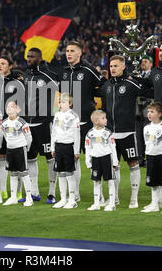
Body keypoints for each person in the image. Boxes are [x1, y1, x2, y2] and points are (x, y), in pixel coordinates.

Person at [59, 41, 106, 202]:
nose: (68, 53)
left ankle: (99, 195)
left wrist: (96, 105)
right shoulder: (64, 72)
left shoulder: (88, 70)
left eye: (72, 51)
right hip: (68, 124)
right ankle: (76, 194)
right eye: (67, 51)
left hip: (85, 121)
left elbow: (104, 86)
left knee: (94, 157)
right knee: (74, 158)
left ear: (80, 53)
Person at [100, 55, 149, 209]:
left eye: (116, 66)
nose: (112, 69)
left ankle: (134, 199)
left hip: (128, 132)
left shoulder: (131, 84)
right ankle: (114, 198)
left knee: (133, 164)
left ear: (123, 67)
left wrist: (138, 79)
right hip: (110, 133)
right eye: (111, 66)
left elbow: (149, 91)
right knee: (113, 166)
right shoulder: (106, 85)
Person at [23, 47, 60, 204]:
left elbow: (65, 91)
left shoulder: (49, 75)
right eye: (28, 57)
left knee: (50, 159)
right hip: (28, 125)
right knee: (30, 159)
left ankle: (52, 193)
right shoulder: (26, 76)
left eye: (31, 57)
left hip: (44, 124)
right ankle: (34, 192)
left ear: (39, 58)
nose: (29, 59)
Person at [0, 54, 26, 201]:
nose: (0, 66)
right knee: (1, 157)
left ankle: (18, 191)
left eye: (3, 63)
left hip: (13, 125)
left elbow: (22, 104)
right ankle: (3, 191)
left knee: (16, 158)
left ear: (10, 66)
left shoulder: (17, 83)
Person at [0, 100, 34, 207]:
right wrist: (11, 144)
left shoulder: (22, 123)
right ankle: (13, 197)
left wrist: (25, 148)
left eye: (12, 106)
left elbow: (29, 137)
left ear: (17, 110)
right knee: (13, 173)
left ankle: (29, 197)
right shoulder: (4, 123)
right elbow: (5, 136)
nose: (9, 108)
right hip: (10, 150)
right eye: (8, 107)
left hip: (20, 149)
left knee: (24, 172)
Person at [50, 93, 80, 209]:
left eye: (63, 102)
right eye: (59, 102)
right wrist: (53, 147)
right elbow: (53, 132)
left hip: (69, 147)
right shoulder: (57, 115)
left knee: (69, 173)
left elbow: (77, 134)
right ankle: (63, 199)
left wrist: (76, 150)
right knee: (60, 173)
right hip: (58, 146)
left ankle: (72, 200)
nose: (60, 104)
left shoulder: (73, 116)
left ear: (70, 104)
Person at [141, 102, 162, 214]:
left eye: (152, 112)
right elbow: (146, 143)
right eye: (148, 111)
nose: (149, 114)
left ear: (159, 114)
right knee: (152, 182)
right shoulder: (146, 128)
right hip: (150, 157)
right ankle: (154, 204)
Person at [85, 110, 118, 212]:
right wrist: (88, 161)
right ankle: (96, 203)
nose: (106, 120)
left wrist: (115, 161)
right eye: (103, 118)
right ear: (96, 121)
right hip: (95, 159)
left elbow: (113, 147)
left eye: (105, 118)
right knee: (96, 181)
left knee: (110, 181)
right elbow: (88, 148)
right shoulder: (90, 133)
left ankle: (112, 204)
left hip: (107, 158)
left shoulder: (108, 133)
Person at [135, 55, 154, 168]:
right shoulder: (137, 75)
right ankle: (140, 158)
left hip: (148, 108)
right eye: (142, 61)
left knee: (148, 134)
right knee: (139, 135)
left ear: (151, 64)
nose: (143, 63)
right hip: (137, 109)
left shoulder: (153, 76)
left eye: (145, 61)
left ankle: (150, 157)